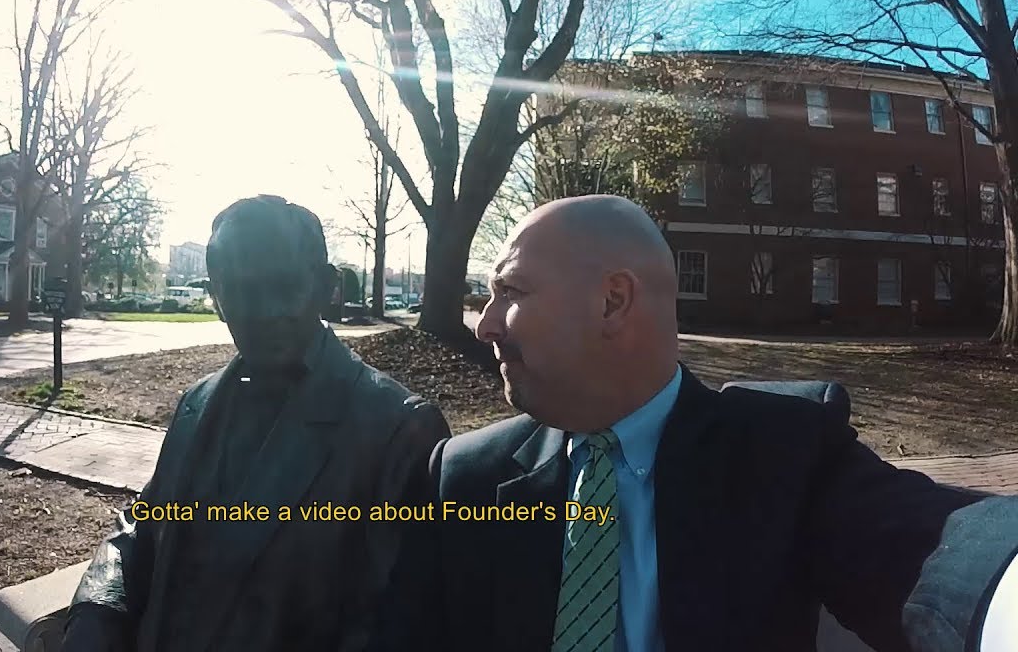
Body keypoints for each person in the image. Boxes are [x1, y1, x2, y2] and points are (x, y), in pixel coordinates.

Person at [373, 194, 1008, 652]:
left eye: (510, 291)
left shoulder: (783, 449)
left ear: (613, 301)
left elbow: (940, 551)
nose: (484, 325)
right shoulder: (465, 476)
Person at [60, 194, 450, 652]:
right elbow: (142, 524)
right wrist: (97, 611)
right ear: (217, 299)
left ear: (327, 287)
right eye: (239, 290)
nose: (262, 311)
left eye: (284, 286)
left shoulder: (396, 429)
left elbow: (396, 625)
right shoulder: (196, 403)